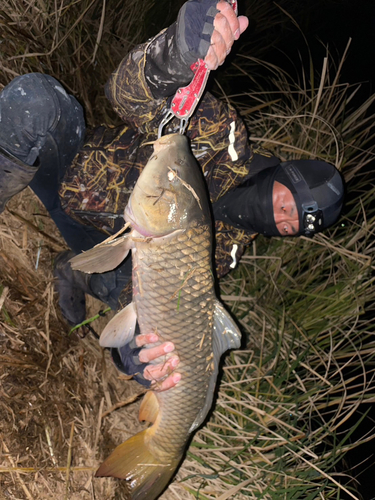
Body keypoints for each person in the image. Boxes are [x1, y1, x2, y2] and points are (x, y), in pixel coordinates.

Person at [0, 0, 344, 392]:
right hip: (68, 175)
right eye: (291, 203)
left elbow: (146, 295)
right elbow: (124, 94)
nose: (283, 219)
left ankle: (71, 269)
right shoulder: (222, 139)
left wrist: (142, 352)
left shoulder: (226, 253)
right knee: (36, 100)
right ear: (285, 172)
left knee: (154, 356)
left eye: (293, 226)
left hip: (96, 244)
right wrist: (177, 55)